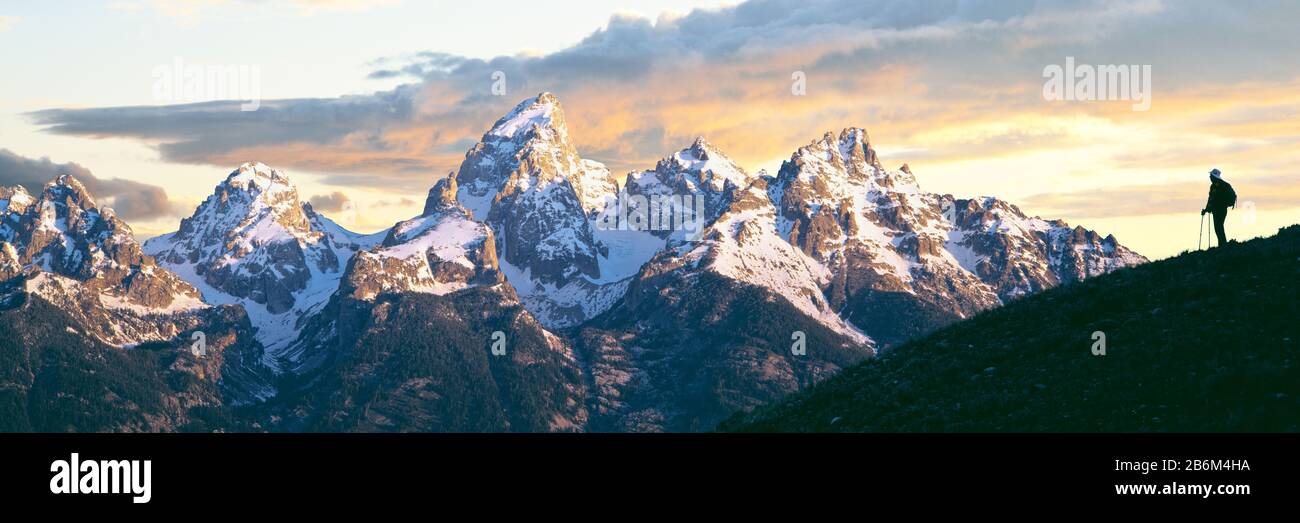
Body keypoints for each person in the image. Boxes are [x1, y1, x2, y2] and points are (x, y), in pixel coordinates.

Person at [1201, 168, 1236, 246]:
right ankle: (1222, 244)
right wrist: (1207, 209)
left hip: (1218, 210)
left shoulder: (1216, 186)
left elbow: (1212, 199)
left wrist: (1207, 209)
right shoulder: (1220, 185)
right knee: (1219, 227)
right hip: (1221, 209)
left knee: (1218, 227)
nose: (1210, 177)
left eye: (1211, 176)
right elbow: (1211, 199)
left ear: (1214, 176)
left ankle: (1222, 245)